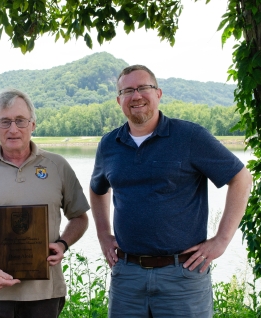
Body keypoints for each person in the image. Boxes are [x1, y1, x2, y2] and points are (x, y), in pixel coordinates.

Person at [89, 65, 252, 317]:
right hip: (127, 275)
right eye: (128, 90)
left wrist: (221, 240)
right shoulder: (110, 144)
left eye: (144, 88)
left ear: (159, 93)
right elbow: (98, 189)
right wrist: (102, 234)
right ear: (119, 99)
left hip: (182, 275)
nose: (136, 96)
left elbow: (241, 178)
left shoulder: (189, 136)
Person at [0, 88, 90, 318]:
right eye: (5, 122)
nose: (13, 129)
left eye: (20, 120)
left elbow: (80, 217)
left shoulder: (57, 166)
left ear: (33, 124)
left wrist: (62, 244)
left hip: (45, 295)